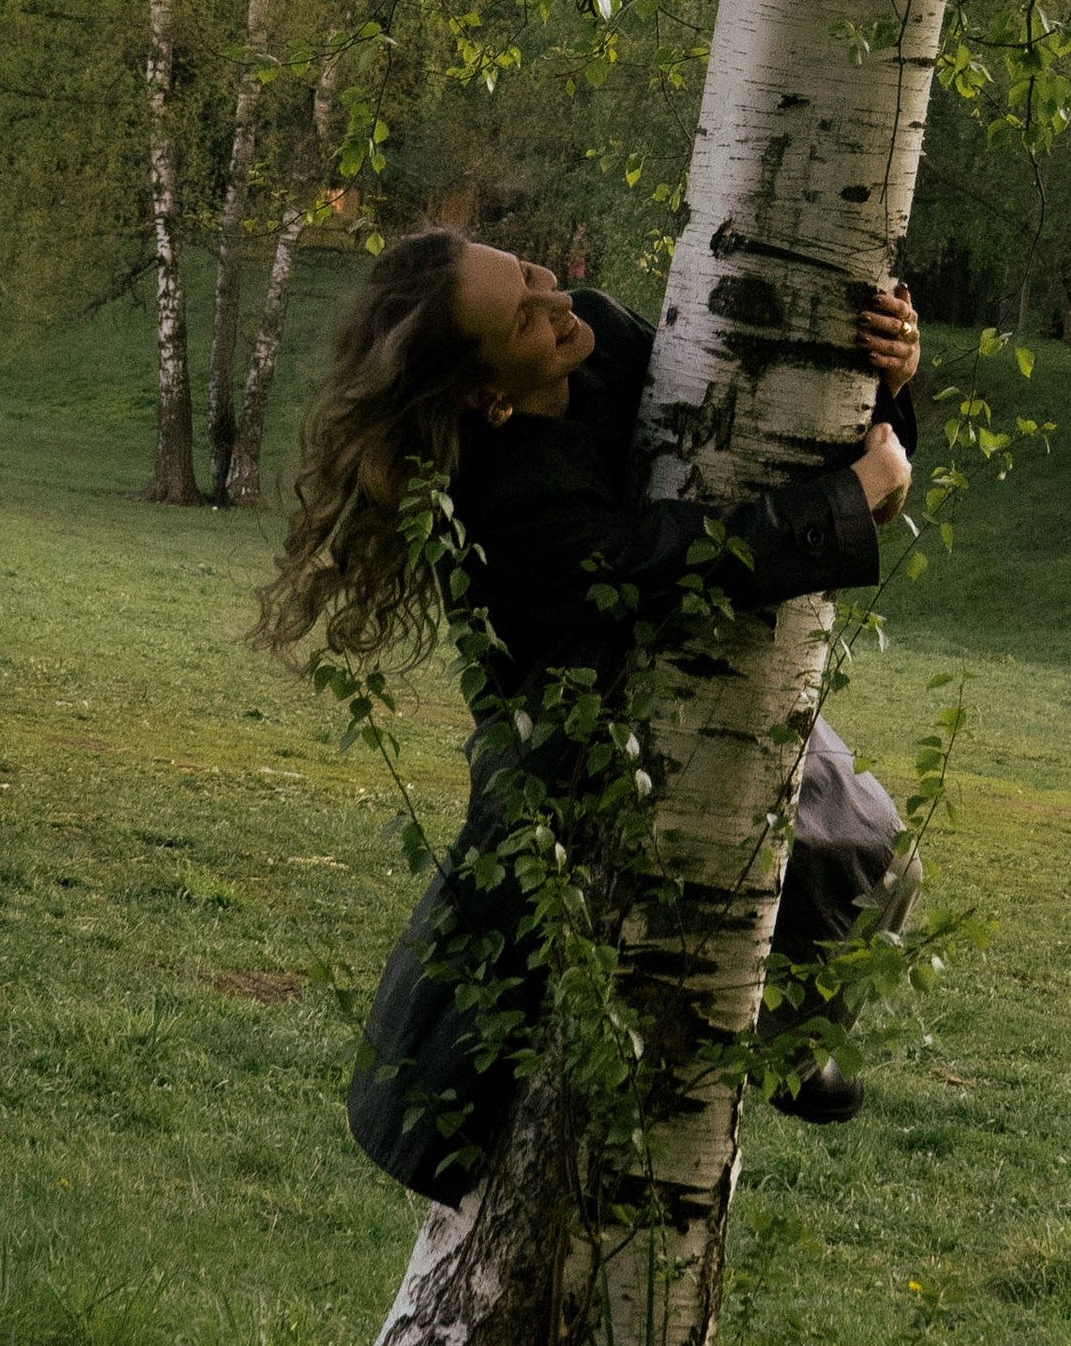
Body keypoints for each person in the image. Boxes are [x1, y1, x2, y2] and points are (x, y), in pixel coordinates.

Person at [261, 228, 922, 1200]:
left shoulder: (602, 331)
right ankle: (428, 1117)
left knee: (872, 855)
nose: (555, 302)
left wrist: (887, 380)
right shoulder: (499, 500)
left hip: (703, 672)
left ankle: (791, 1041)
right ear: (486, 393)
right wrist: (844, 503)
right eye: (522, 317)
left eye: (534, 274)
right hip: (579, 731)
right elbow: (657, 559)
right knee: (519, 975)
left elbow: (751, 433)